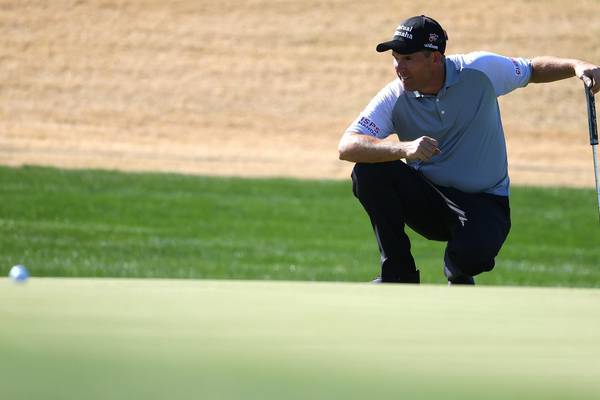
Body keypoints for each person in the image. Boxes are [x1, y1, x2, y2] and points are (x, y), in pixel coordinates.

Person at [338, 15, 600, 285]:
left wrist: (576, 65)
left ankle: (459, 272)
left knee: (466, 261)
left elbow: (531, 70)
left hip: (485, 201)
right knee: (368, 172)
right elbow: (347, 145)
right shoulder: (395, 96)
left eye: (408, 59)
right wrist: (403, 148)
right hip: (430, 200)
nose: (398, 67)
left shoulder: (479, 70)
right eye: (396, 58)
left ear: (435, 58)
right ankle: (398, 275)